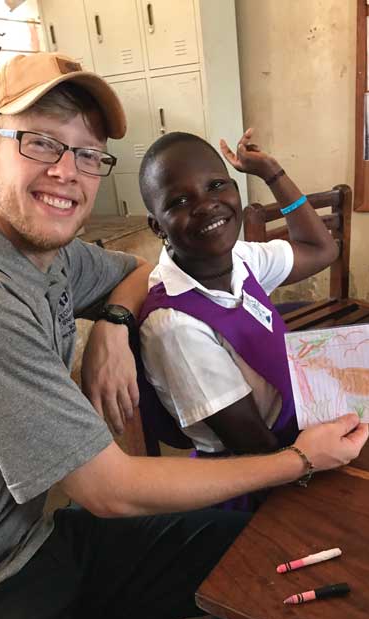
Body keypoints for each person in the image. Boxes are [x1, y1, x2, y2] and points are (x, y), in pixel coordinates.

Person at [0, 52, 369, 619]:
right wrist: (302, 460)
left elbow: (145, 270)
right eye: (40, 144)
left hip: (34, 542)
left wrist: (112, 327)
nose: (68, 172)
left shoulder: (52, 256)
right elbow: (108, 490)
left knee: (266, 556)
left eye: (88, 154)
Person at [139, 130, 338, 459]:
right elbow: (258, 450)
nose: (206, 205)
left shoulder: (240, 259)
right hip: (267, 477)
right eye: (179, 201)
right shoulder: (175, 326)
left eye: (216, 185)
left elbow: (321, 249)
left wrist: (271, 173)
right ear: (158, 226)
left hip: (302, 428)